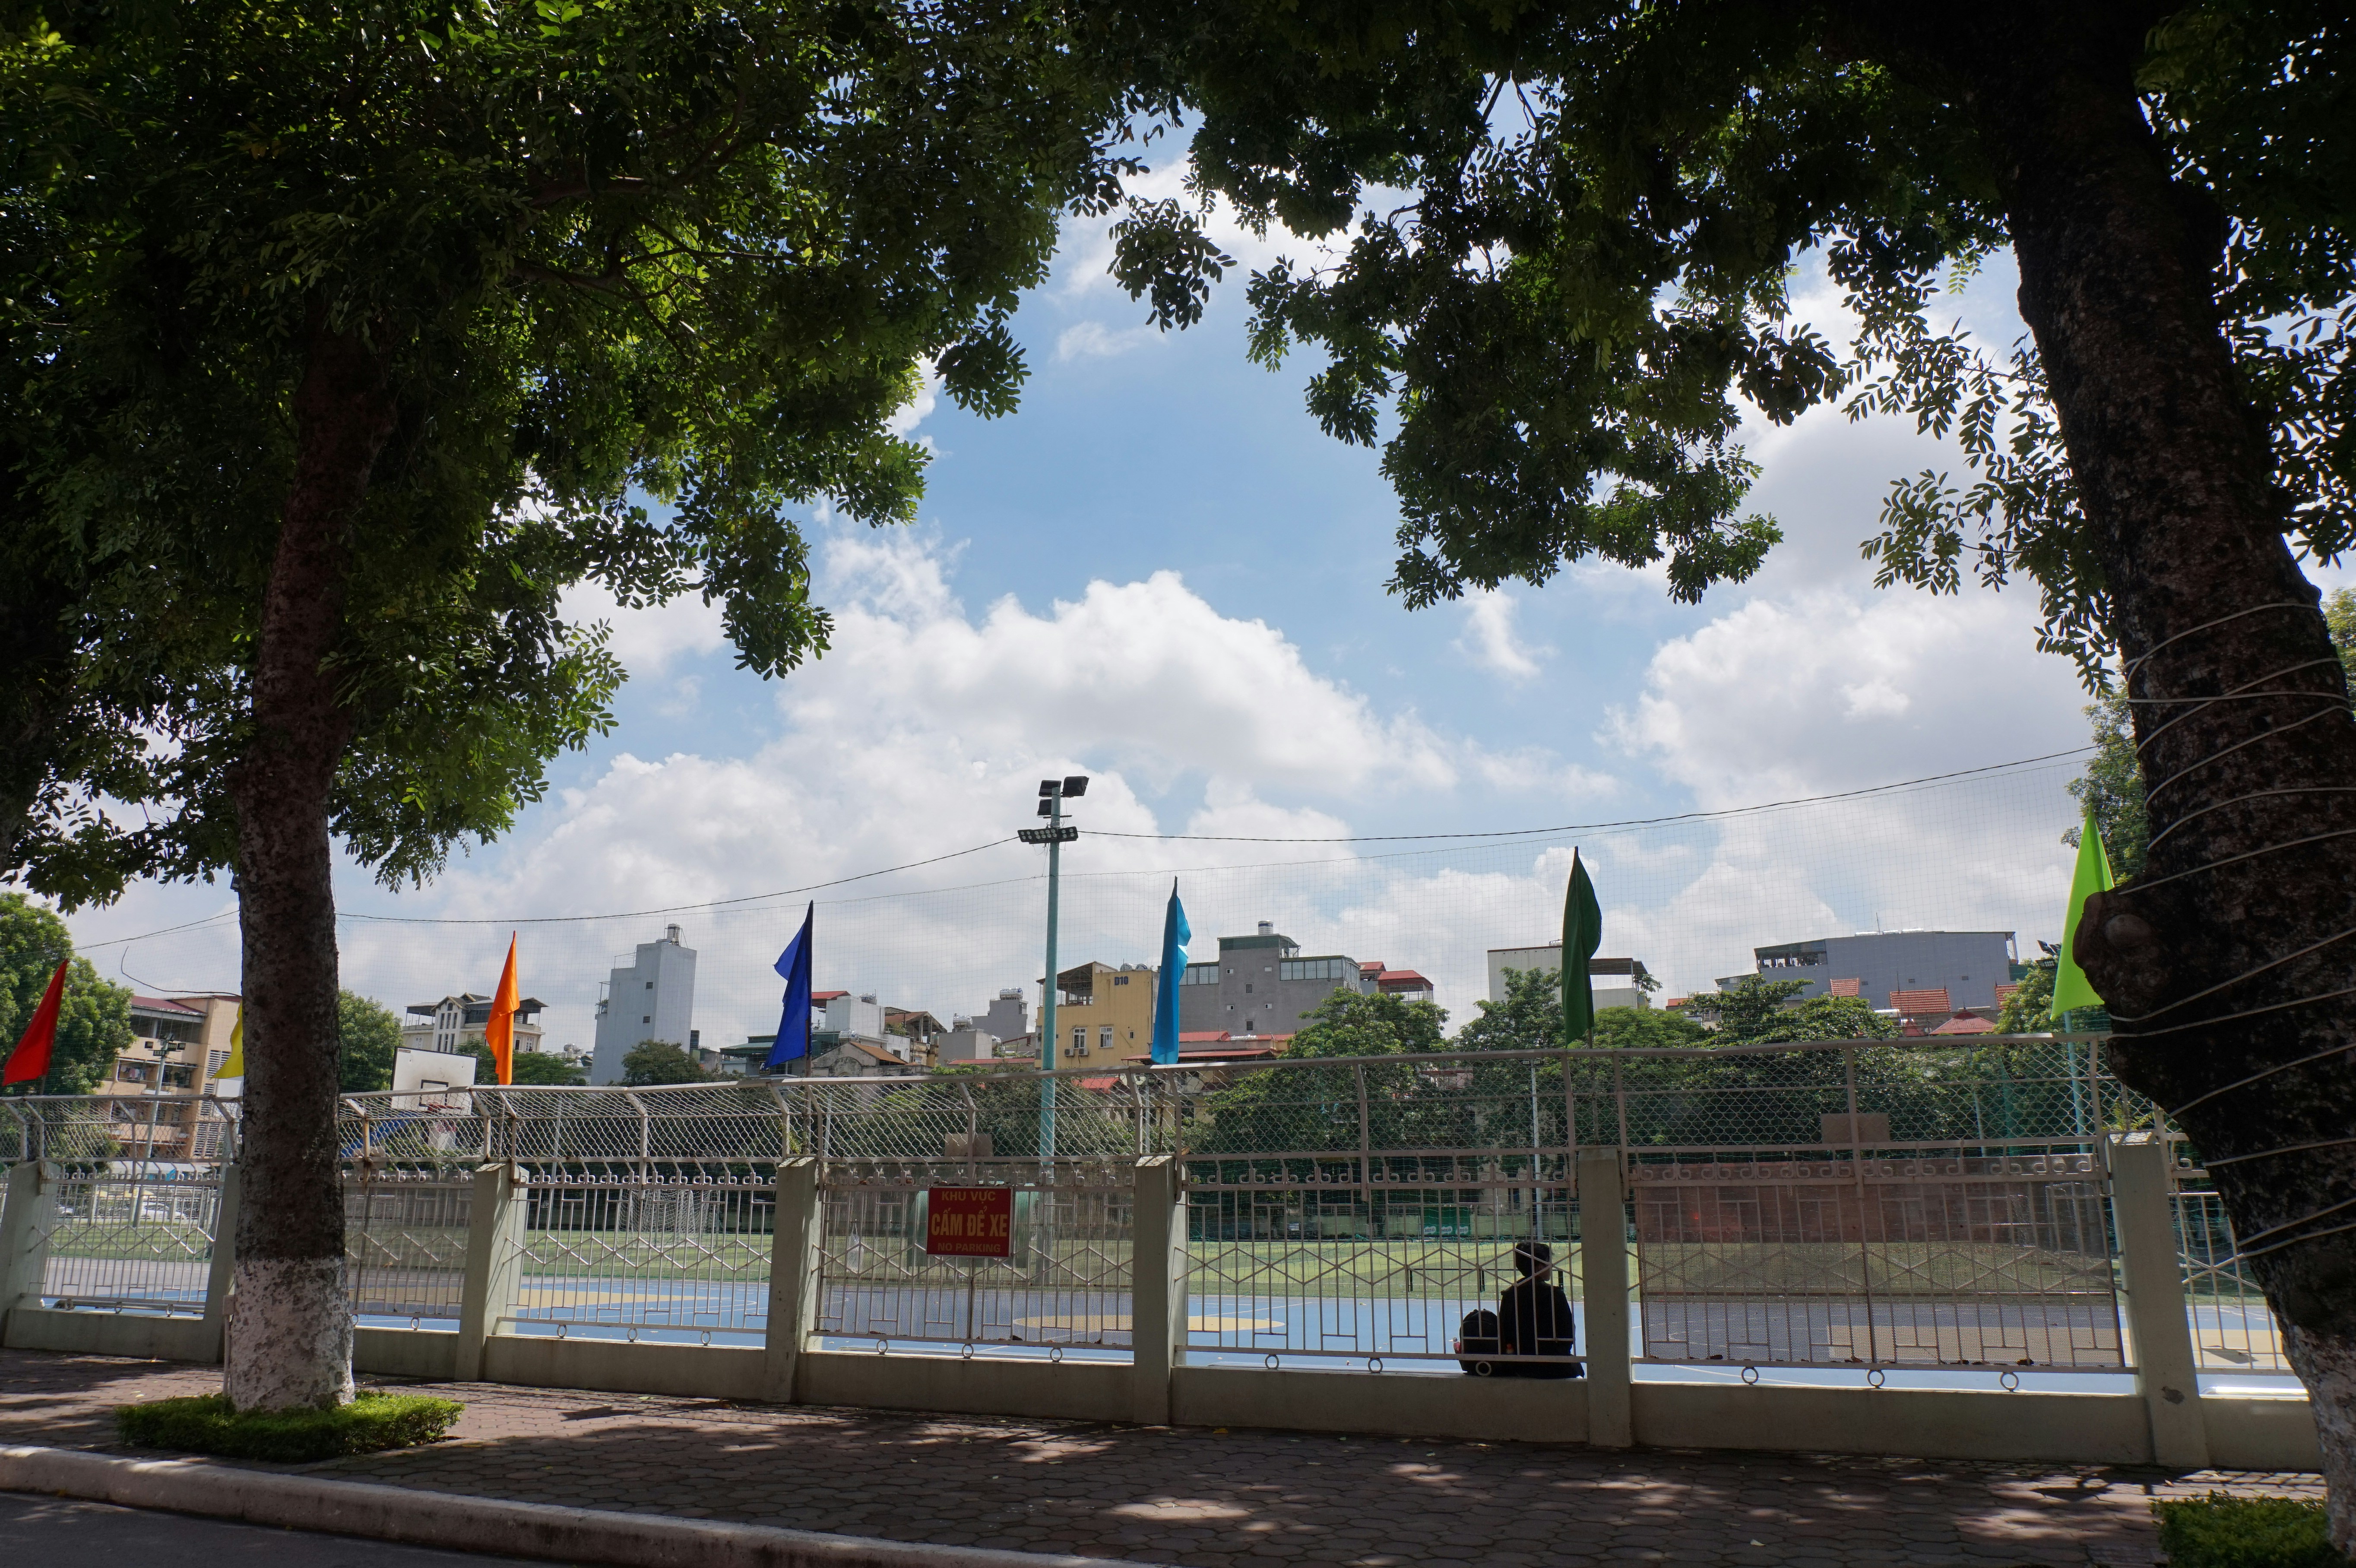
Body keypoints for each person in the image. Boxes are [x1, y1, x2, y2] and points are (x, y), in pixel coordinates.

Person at [1496, 1240, 1581, 1378]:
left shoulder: (1510, 1294)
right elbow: (1568, 1335)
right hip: (1551, 1365)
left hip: (1517, 1364)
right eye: (1548, 1262)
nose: (1551, 1266)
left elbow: (1505, 1331)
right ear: (1539, 1267)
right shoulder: (1554, 1294)